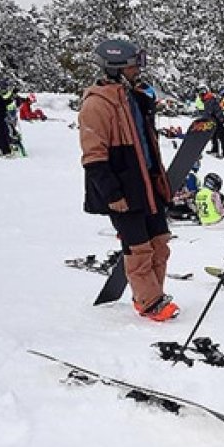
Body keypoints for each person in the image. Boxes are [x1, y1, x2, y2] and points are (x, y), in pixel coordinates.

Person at [78, 39, 178, 321]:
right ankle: (148, 302)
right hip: (123, 188)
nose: (139, 70)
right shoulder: (97, 104)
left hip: (147, 184)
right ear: (116, 67)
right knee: (138, 249)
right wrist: (112, 194)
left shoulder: (131, 96)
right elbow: (93, 157)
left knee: (160, 242)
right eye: (135, 65)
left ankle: (155, 293)